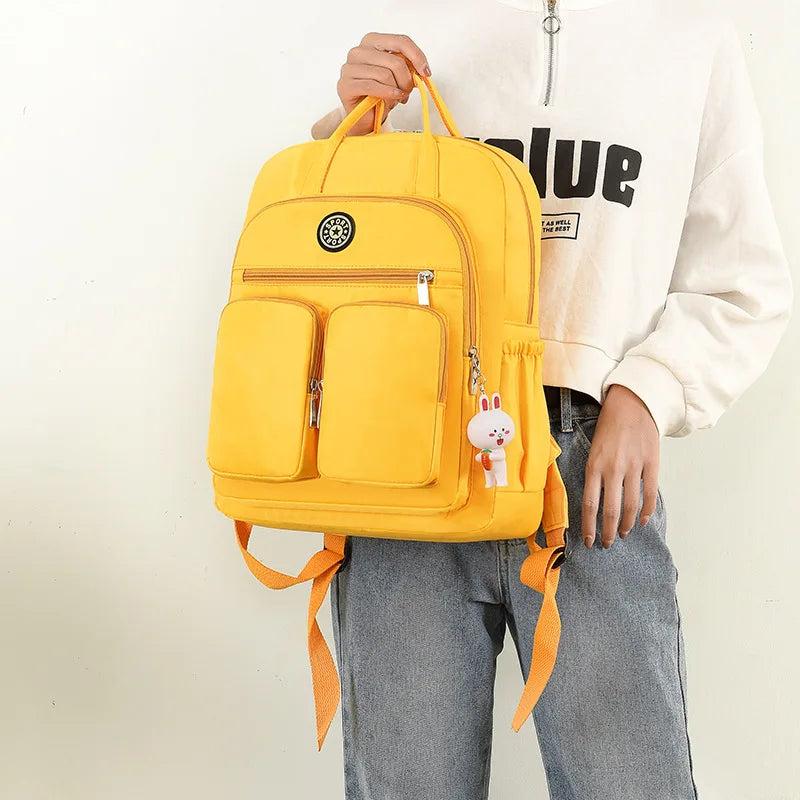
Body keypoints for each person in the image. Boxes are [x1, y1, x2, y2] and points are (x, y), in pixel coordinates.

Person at [311, 2, 792, 798]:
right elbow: (345, 258)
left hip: (592, 474)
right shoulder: (422, 20)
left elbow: (742, 282)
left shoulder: (690, 35)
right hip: (407, 462)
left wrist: (649, 389)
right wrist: (353, 127)